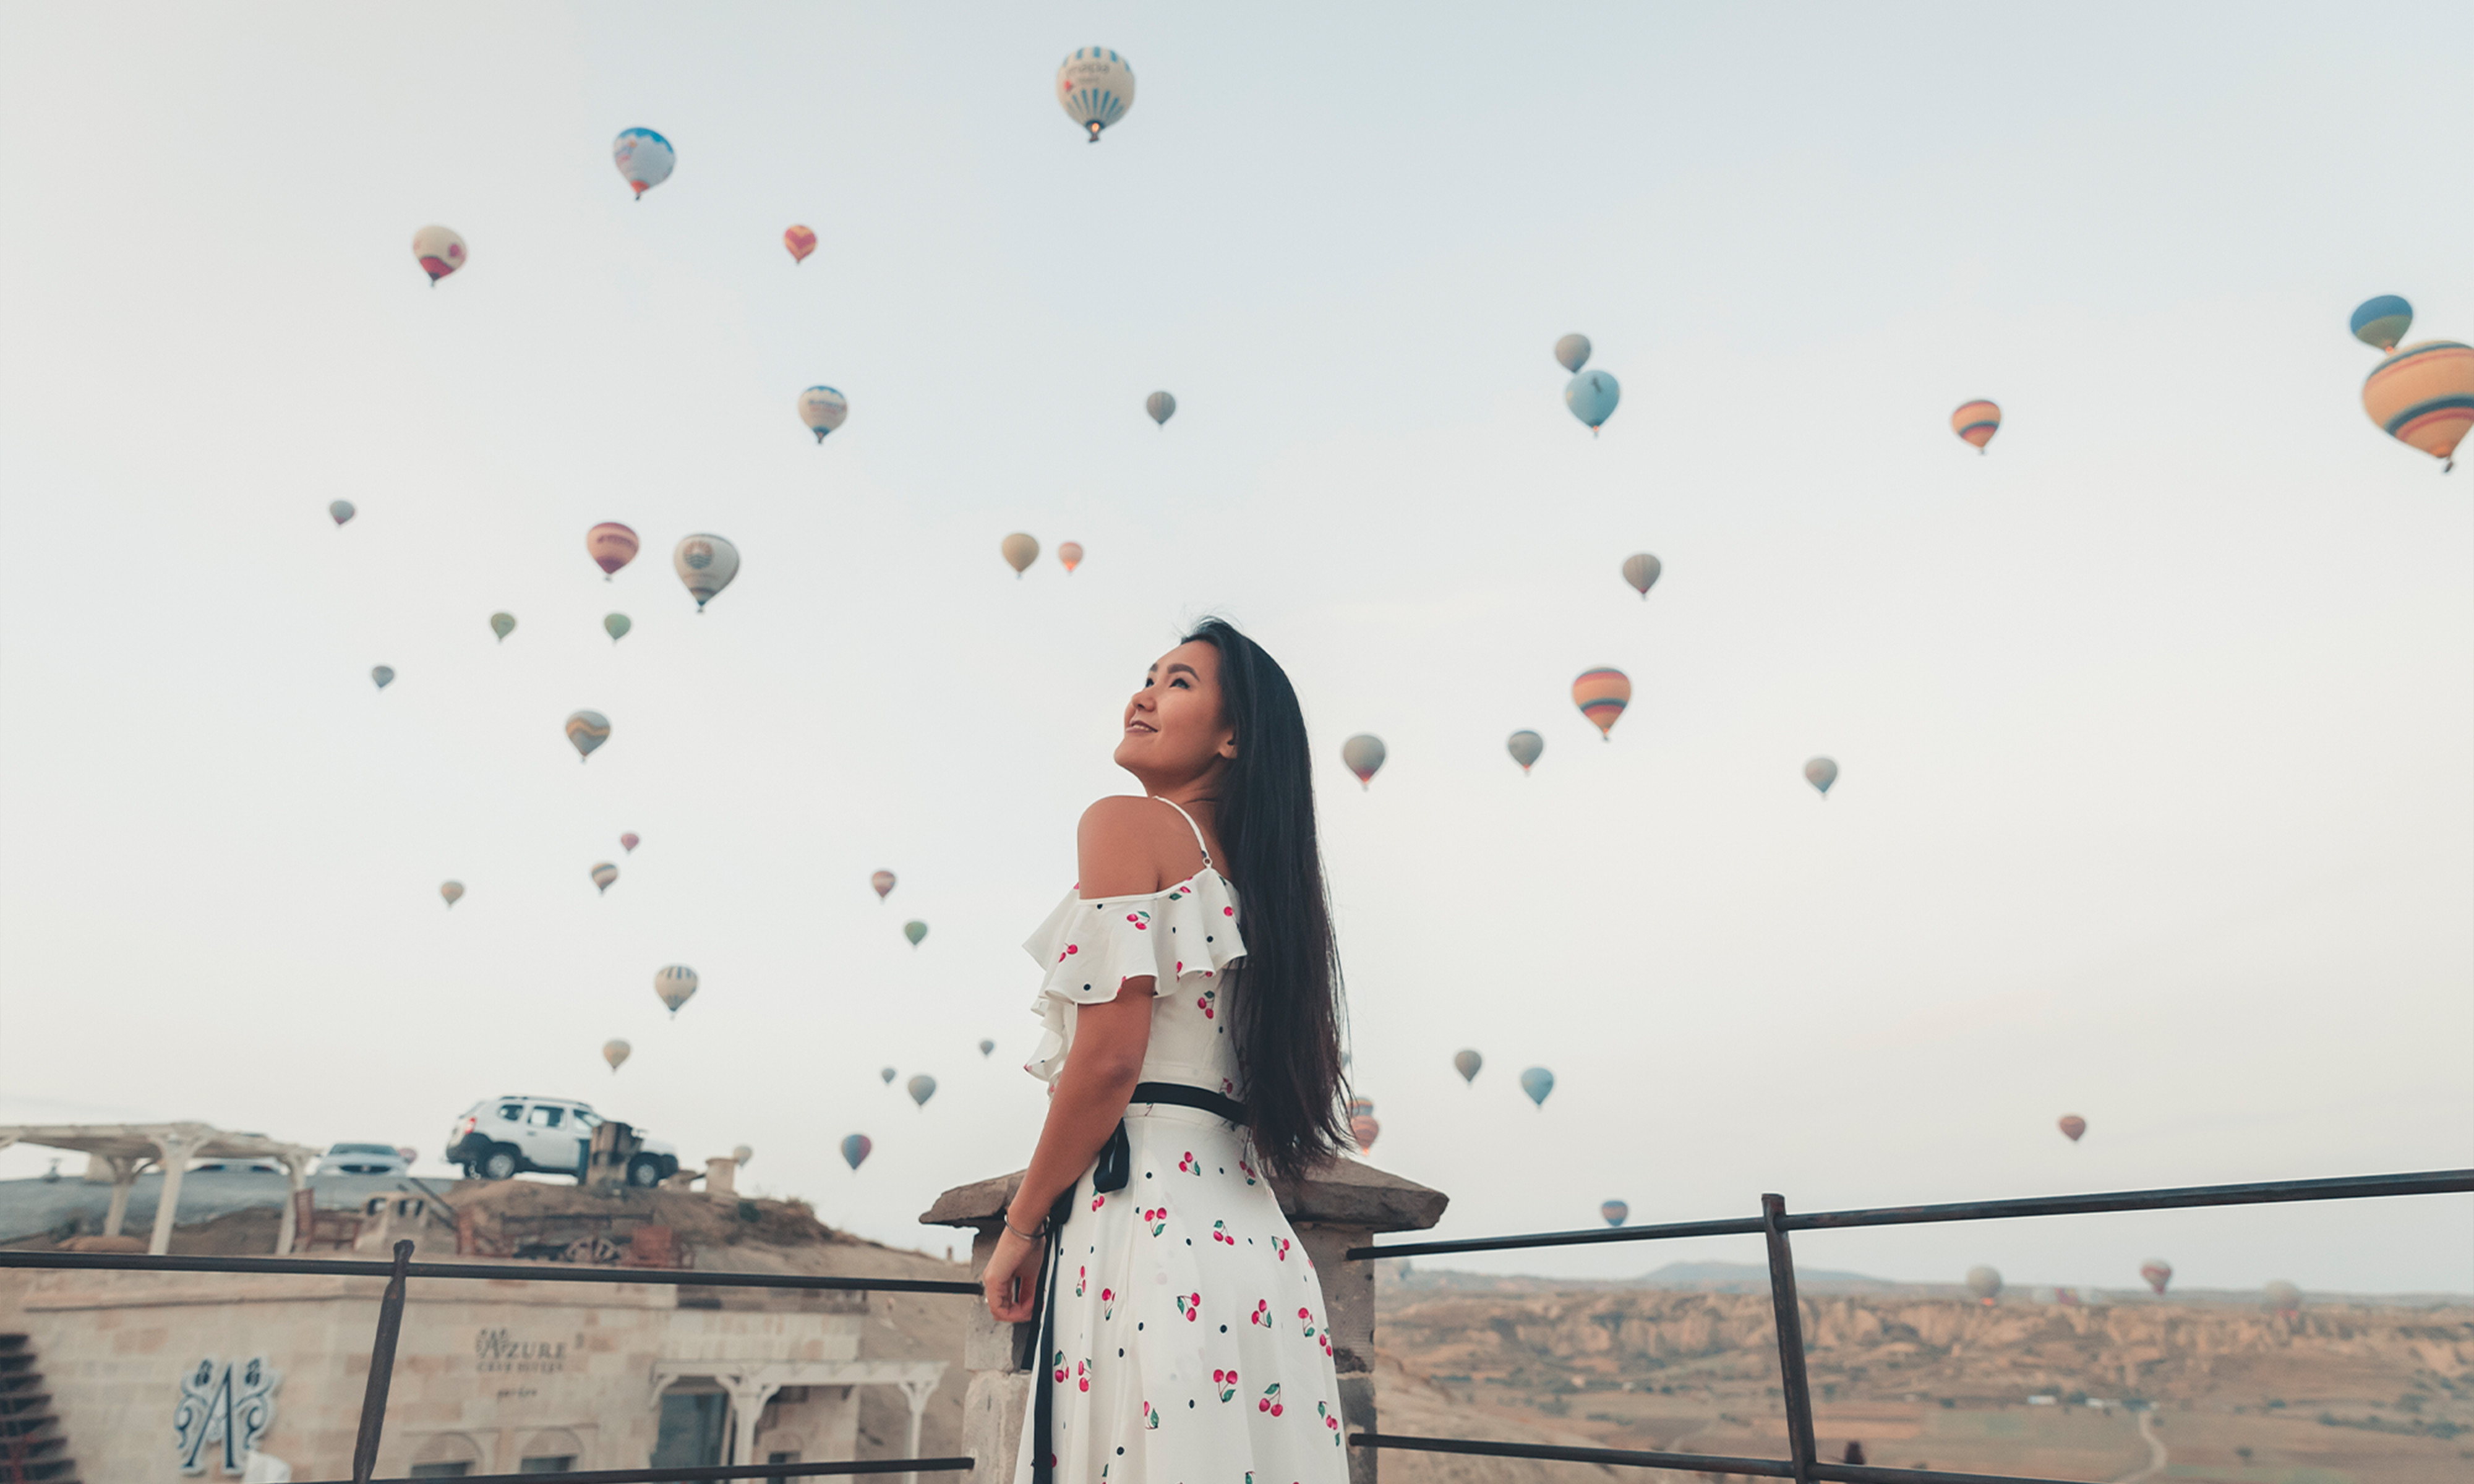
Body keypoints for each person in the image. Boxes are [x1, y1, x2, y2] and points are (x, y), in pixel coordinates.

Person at [980, 618, 1353, 1484]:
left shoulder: (1128, 825)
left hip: (1145, 1230)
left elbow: (1109, 1063)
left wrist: (1020, 1225)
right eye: (1148, 674)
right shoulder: (1271, 895)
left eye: (1179, 681)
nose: (1143, 693)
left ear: (1235, 737)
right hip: (1253, 1250)